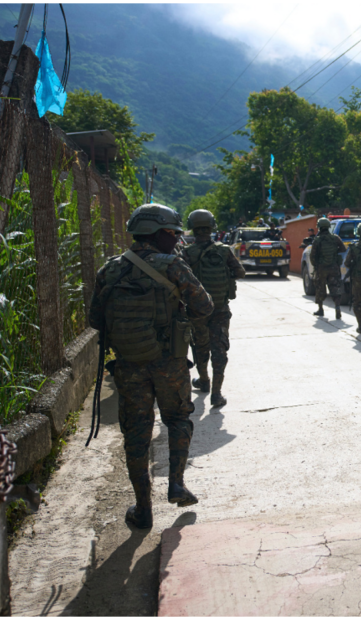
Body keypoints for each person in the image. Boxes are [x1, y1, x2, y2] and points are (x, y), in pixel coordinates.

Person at [88, 204, 214, 530]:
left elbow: (95, 320)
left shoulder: (110, 269)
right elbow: (204, 306)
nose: (176, 239)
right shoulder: (173, 265)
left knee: (137, 432)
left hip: (129, 366)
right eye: (172, 233)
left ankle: (143, 508)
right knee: (177, 419)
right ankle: (176, 483)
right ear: (157, 234)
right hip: (169, 363)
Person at [182, 209, 246, 408]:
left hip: (197, 310)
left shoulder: (187, 253)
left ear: (193, 227)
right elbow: (240, 272)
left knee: (200, 347)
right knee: (219, 349)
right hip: (220, 309)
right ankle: (216, 394)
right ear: (211, 227)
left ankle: (204, 381)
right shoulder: (224, 250)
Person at [310, 217, 346, 319]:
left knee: (320, 288)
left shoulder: (317, 240)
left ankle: (320, 310)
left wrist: (316, 265)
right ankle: (337, 308)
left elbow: (312, 256)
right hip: (334, 267)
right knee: (335, 287)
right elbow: (343, 249)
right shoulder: (335, 238)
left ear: (319, 228)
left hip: (321, 268)